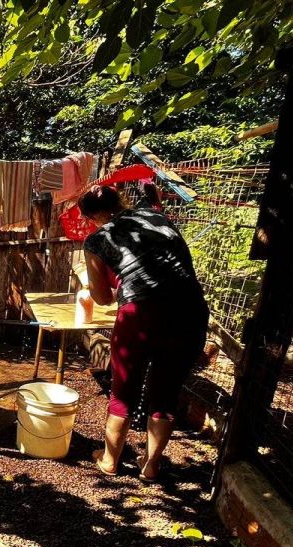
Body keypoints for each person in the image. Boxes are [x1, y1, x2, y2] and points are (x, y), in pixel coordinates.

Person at [79, 185, 208, 481]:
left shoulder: (97, 240)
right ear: (120, 200)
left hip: (141, 314)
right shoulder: (155, 217)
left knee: (123, 392)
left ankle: (110, 460)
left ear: (90, 217)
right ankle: (151, 465)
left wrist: (114, 284)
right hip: (189, 309)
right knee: (166, 392)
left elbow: (101, 298)